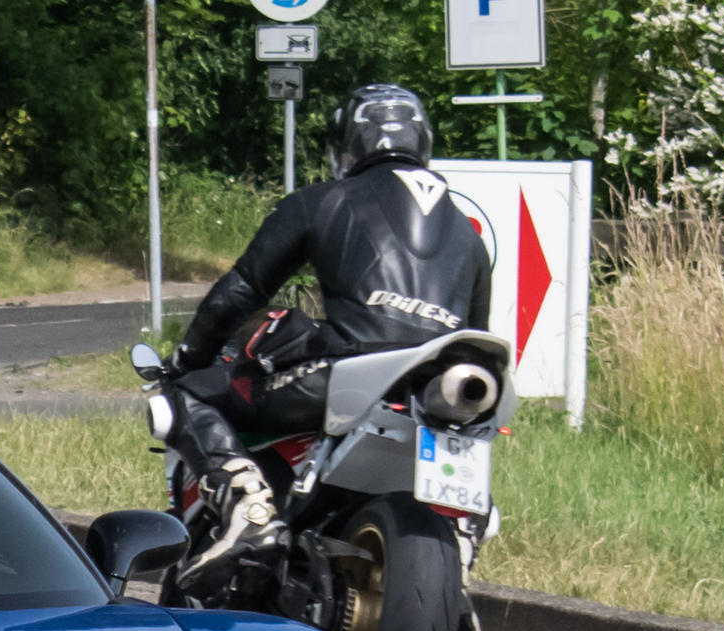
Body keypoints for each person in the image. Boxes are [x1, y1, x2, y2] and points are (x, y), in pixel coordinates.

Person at [159, 84, 492, 593]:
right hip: (443, 387)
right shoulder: (470, 236)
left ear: (347, 148)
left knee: (186, 394)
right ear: (423, 141)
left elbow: (241, 290)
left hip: (346, 371)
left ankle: (247, 508)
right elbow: (477, 334)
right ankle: (459, 559)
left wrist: (188, 357)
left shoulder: (326, 199)